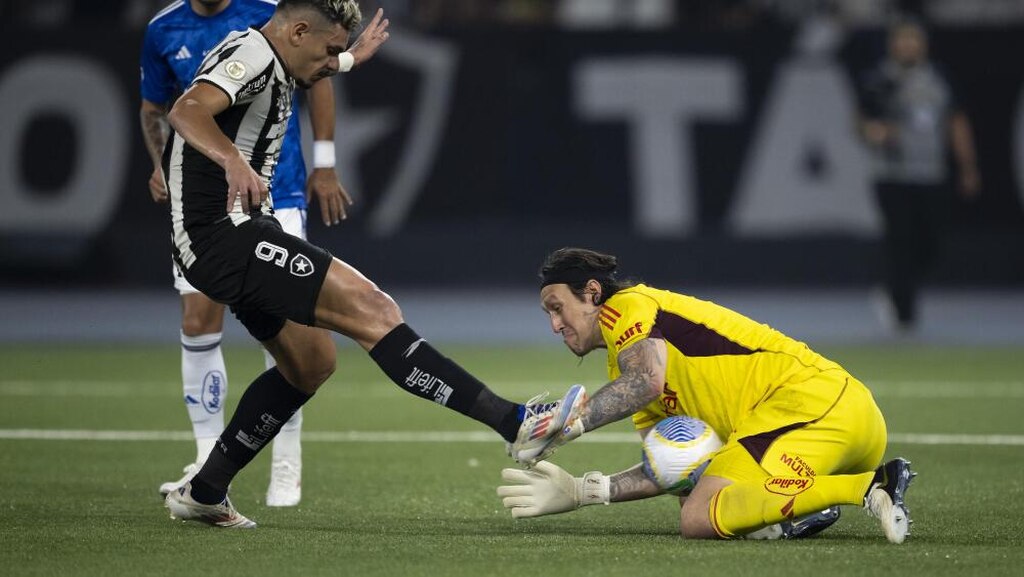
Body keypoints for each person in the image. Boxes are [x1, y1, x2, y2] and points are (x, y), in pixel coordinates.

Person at [159, 0, 584, 528]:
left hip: (238, 234)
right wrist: (233, 162)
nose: (330, 64)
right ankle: (515, 423)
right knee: (372, 307)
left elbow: (307, 62)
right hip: (222, 234)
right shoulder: (250, 53)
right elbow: (187, 110)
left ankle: (205, 491)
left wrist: (349, 59)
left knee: (311, 364)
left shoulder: (276, 49)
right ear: (296, 31)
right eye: (329, 49)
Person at [497, 247, 916, 543]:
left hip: (806, 404)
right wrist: (585, 491)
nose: (554, 325)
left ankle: (870, 484)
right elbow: (671, 469)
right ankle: (801, 509)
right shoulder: (625, 366)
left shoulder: (625, 307)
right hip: (836, 424)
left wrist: (567, 424)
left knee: (700, 518)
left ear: (591, 292)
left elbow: (645, 381)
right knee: (704, 509)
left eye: (557, 307)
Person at [140, 0, 355, 508]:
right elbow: (159, 106)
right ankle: (204, 458)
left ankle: (285, 462)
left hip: (275, 193)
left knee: (292, 334)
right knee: (198, 320)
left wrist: (324, 162)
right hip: (207, 200)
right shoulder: (163, 28)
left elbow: (317, 74)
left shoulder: (271, 14)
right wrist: (160, 163)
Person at [856, 17, 981, 333]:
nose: (908, 46)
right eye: (902, 40)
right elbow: (862, 120)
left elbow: (956, 122)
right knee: (900, 241)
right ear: (893, 44)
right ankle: (905, 314)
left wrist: (967, 166)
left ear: (923, 44)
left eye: (914, 39)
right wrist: (872, 132)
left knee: (931, 243)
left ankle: (896, 292)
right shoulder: (879, 79)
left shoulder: (939, 79)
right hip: (892, 173)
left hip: (930, 172)